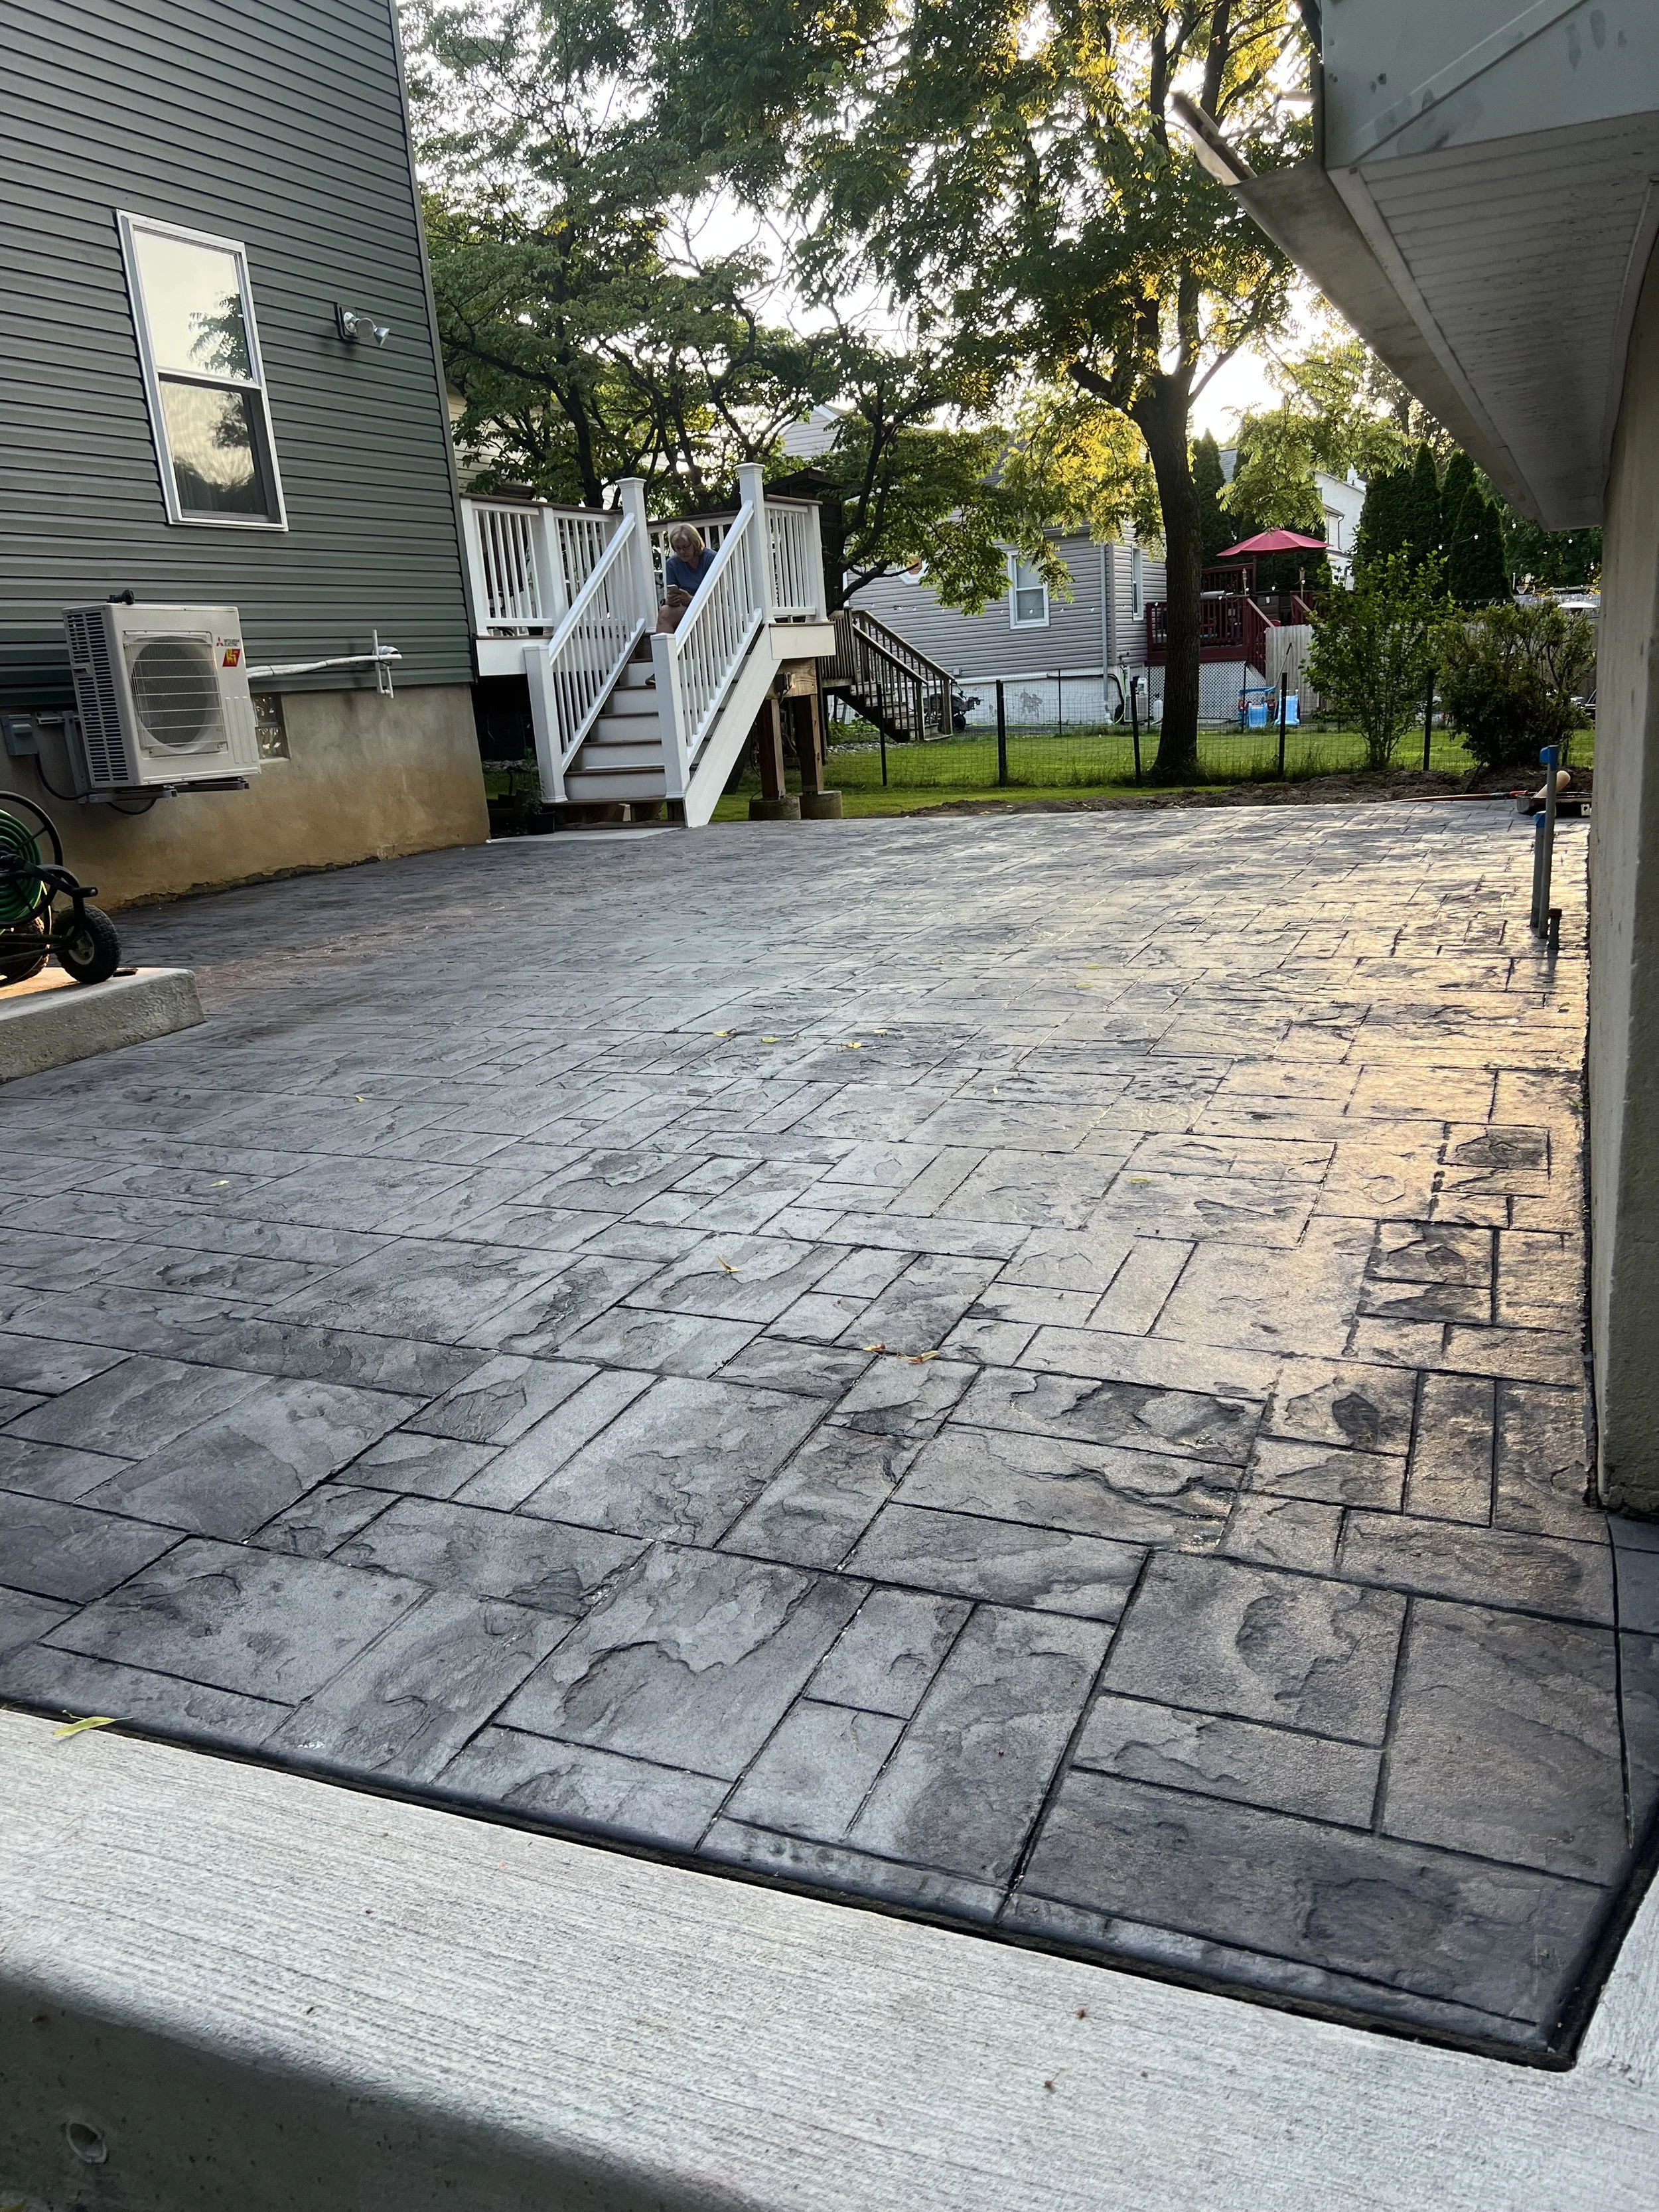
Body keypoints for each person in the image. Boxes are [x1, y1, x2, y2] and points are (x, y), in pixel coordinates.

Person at [657, 524, 716, 632]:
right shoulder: (672, 564)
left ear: (695, 543)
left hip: (711, 607)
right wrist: (671, 601)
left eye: (686, 547)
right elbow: (672, 592)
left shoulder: (710, 559)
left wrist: (691, 600)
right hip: (686, 608)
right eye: (678, 548)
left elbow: (716, 595)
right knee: (664, 612)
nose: (682, 552)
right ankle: (665, 649)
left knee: (704, 616)